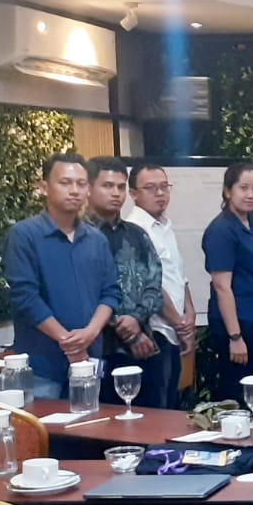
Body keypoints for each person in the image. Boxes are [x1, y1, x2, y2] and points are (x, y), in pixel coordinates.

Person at [4, 153, 121, 398]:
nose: (74, 191)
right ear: (44, 187)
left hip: (88, 359)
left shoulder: (96, 239)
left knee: (89, 421)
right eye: (65, 183)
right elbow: (26, 298)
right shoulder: (24, 235)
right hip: (42, 364)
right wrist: (68, 342)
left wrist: (90, 333)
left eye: (81, 183)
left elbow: (110, 292)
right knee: (43, 423)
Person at [83, 157, 164, 408]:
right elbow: (86, 292)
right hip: (100, 348)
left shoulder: (136, 234)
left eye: (120, 187)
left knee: (152, 417)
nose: (116, 193)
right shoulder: (79, 236)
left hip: (144, 344)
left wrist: (136, 320)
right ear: (89, 188)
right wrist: (127, 331)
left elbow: (154, 281)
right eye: (107, 186)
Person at [202, 161, 253, 401]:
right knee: (241, 393)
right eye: (243, 188)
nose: (251, 195)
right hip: (238, 322)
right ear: (227, 191)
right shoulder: (221, 230)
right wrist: (235, 337)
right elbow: (222, 287)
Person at [126, 164, 197, 408]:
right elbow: (150, 282)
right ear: (133, 194)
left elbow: (178, 275)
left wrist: (189, 314)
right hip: (156, 331)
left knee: (173, 403)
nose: (160, 193)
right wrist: (178, 322)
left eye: (164, 187)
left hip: (175, 329)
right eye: (151, 188)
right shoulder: (135, 229)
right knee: (158, 407)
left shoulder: (165, 225)